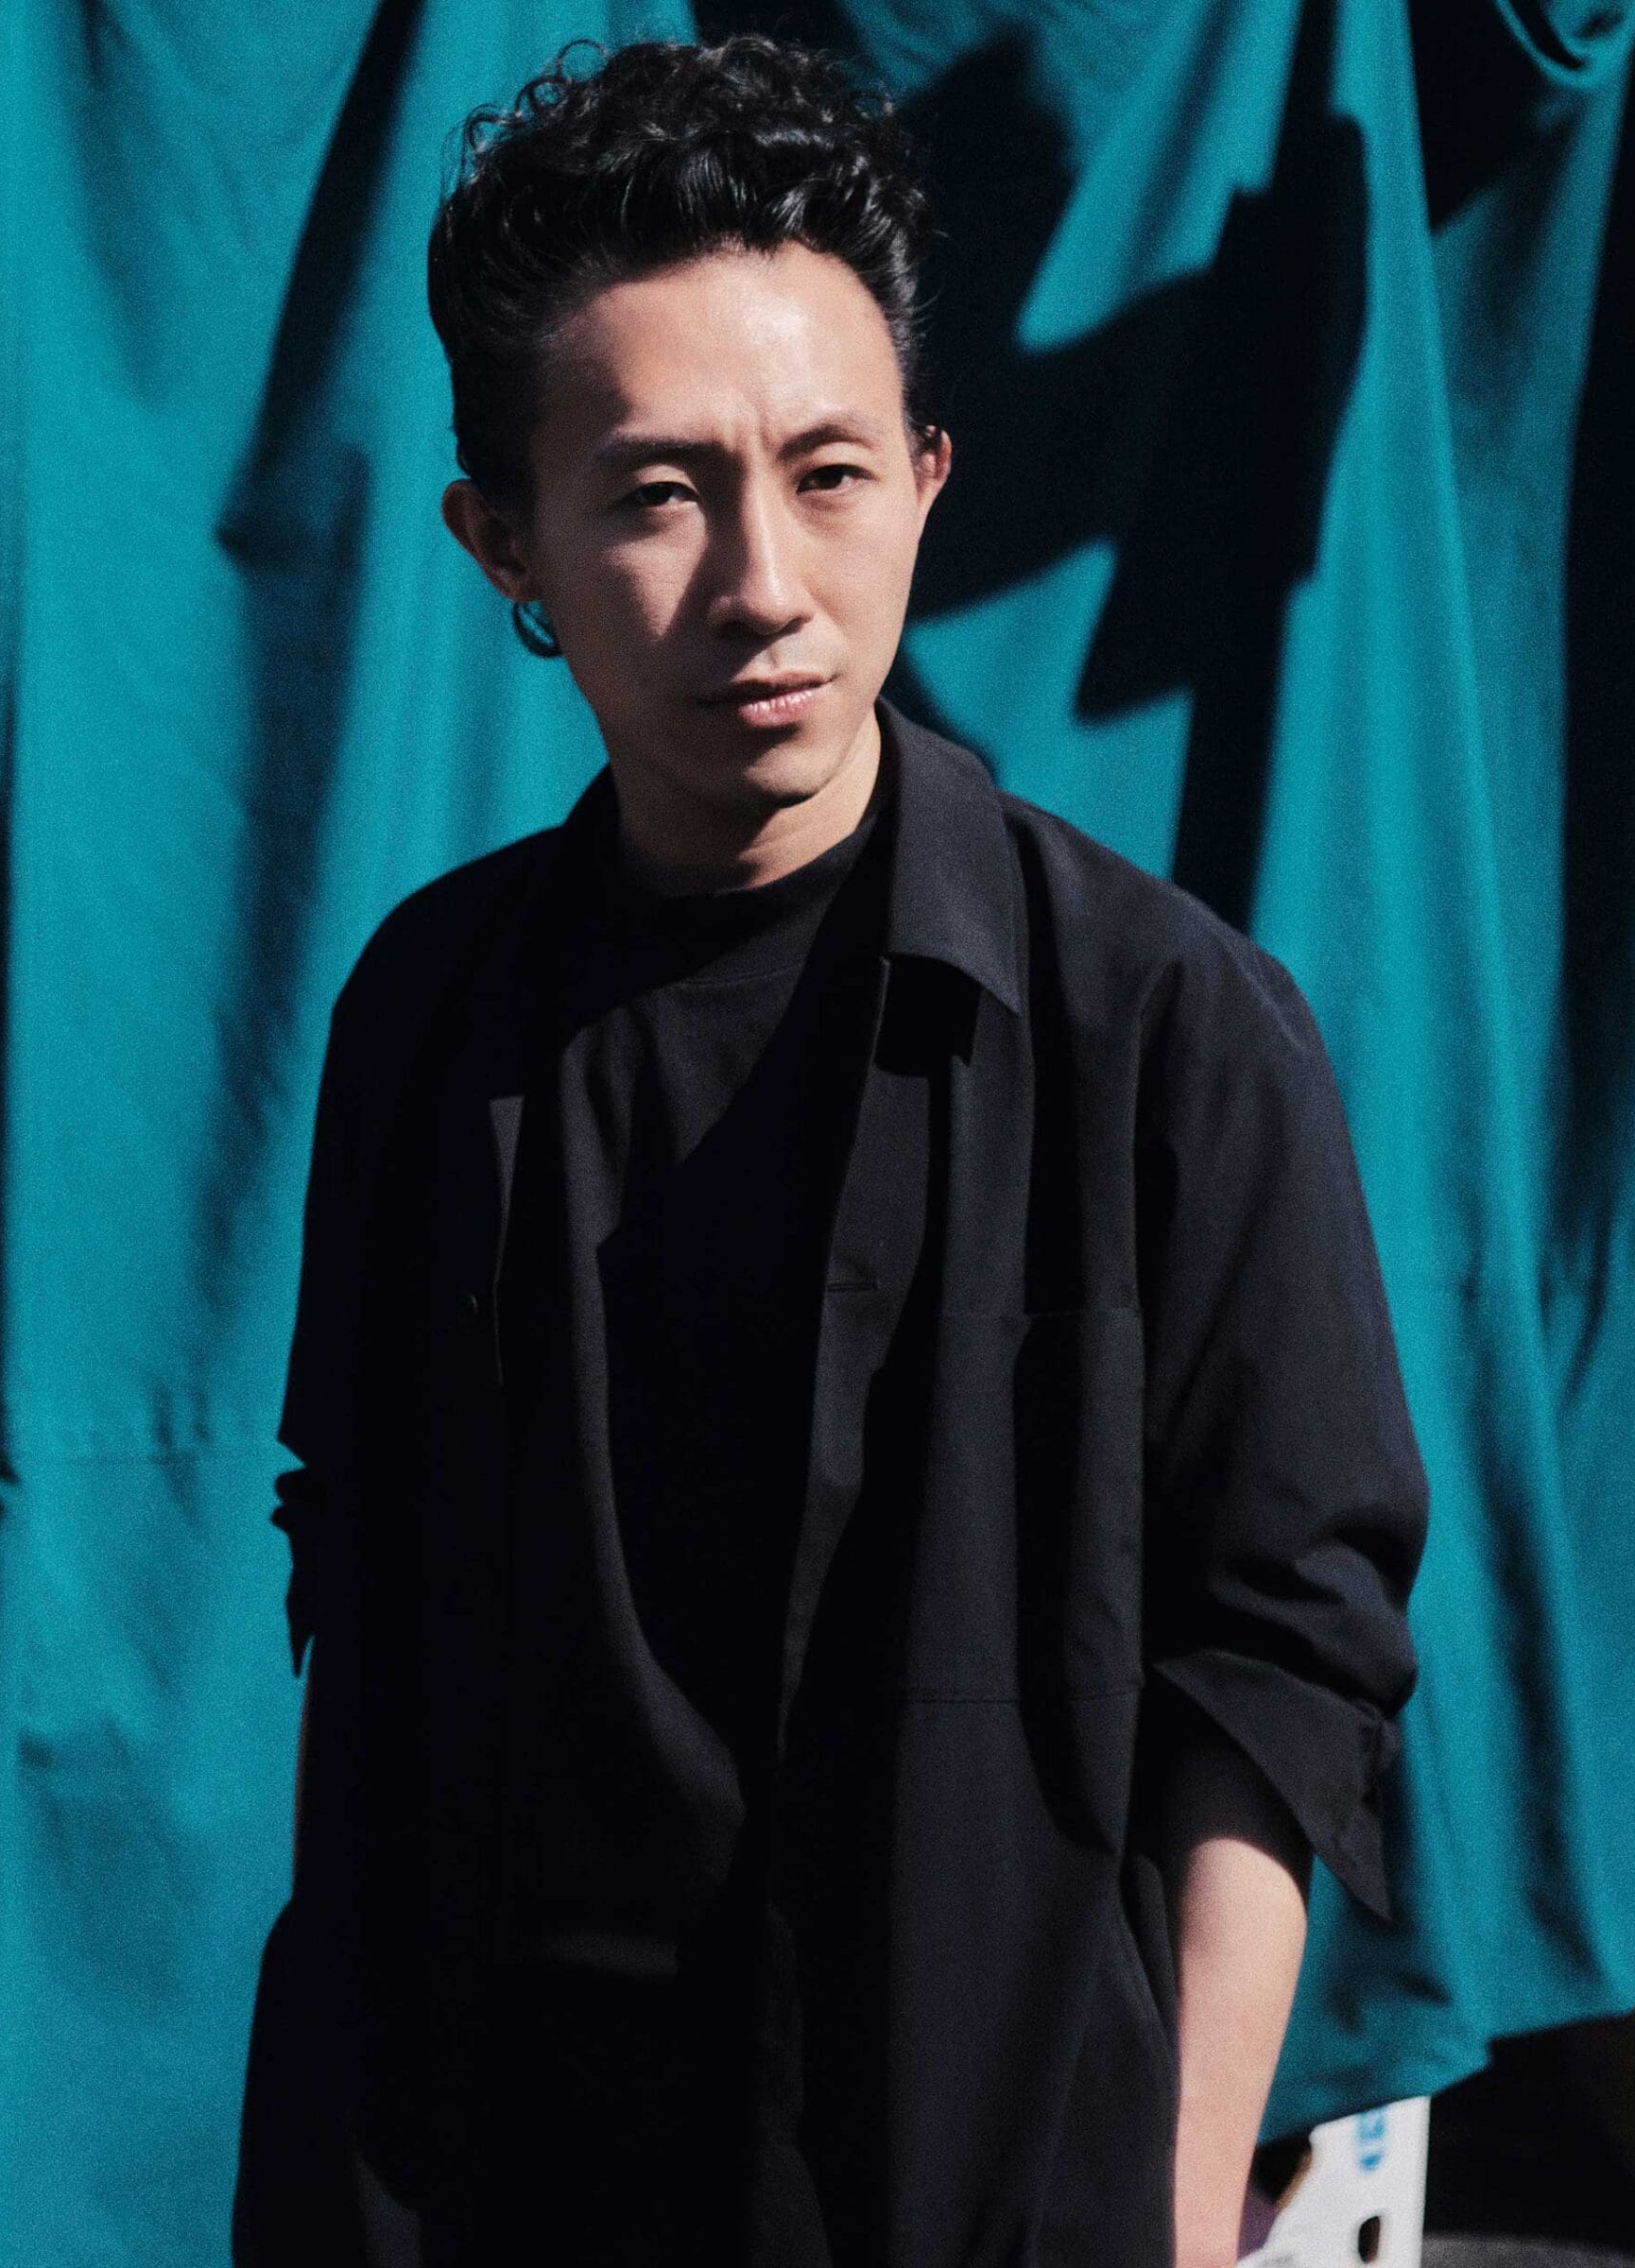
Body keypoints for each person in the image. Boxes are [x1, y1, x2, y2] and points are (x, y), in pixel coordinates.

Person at [232, 34, 1427, 2268]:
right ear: (503, 541)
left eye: (832, 473)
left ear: (931, 481)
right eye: (657, 492)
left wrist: (1180, 2200)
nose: (764, 580)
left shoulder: (1164, 1027)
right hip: (488, 2177)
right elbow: (362, 1581)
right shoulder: (430, 1007)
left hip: (977, 2183)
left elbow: (1284, 1657)